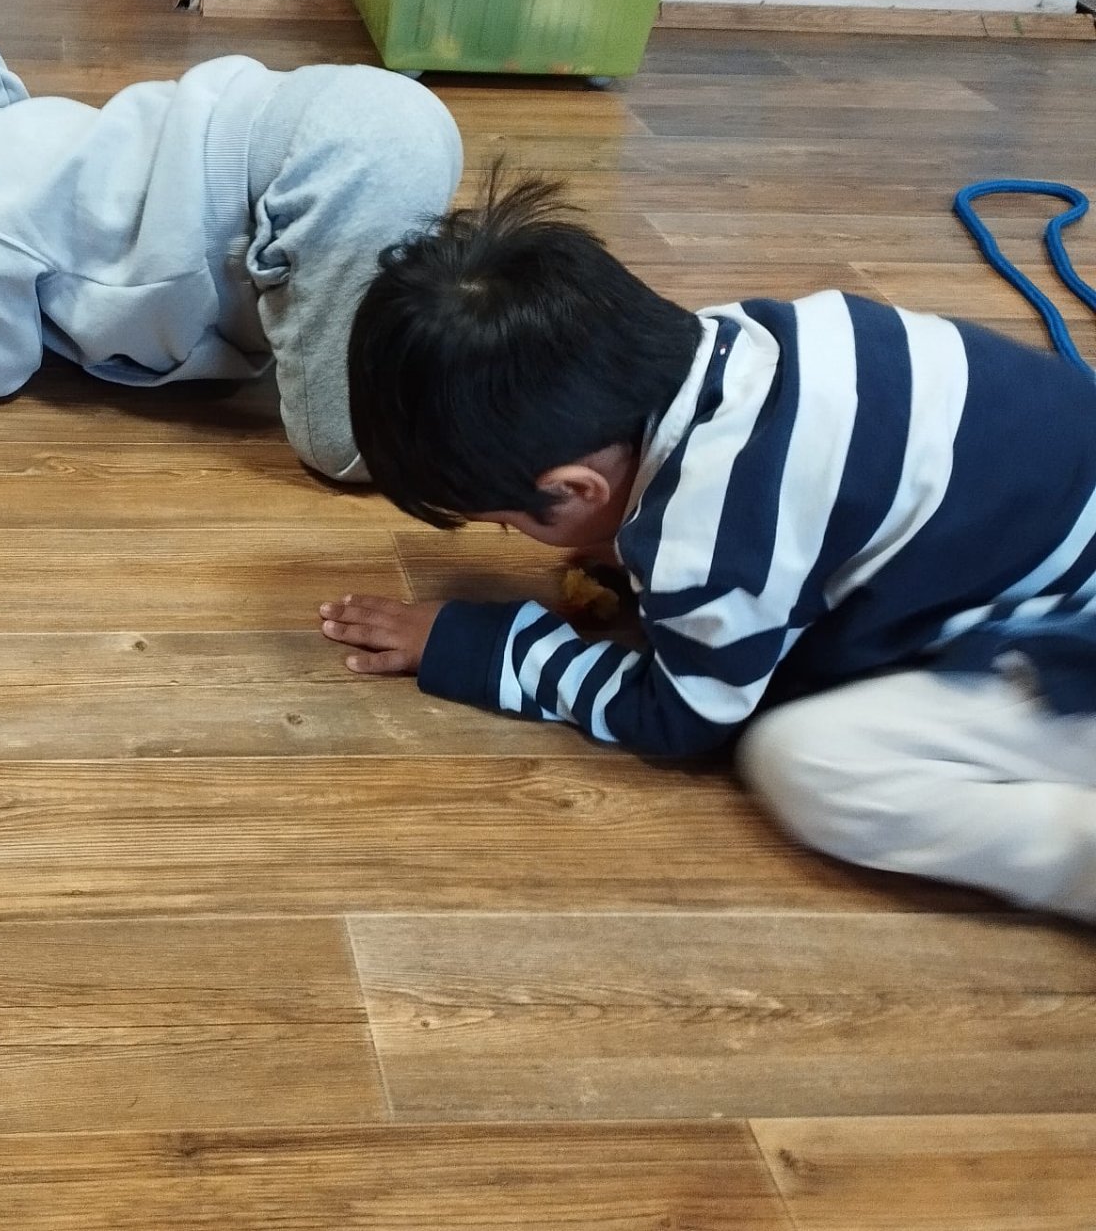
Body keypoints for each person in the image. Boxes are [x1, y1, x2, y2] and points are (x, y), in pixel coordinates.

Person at [319, 171, 1096, 919]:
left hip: (1071, 645)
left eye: (509, 522)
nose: (514, 539)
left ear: (579, 488)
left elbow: (684, 716)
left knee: (803, 758)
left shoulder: (711, 540)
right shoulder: (738, 337)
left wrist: (483, 646)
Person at [0, 0, 463, 481]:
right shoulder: (38, 122)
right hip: (354, 106)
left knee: (340, 448)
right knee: (405, 307)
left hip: (325, 171)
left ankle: (475, 416)